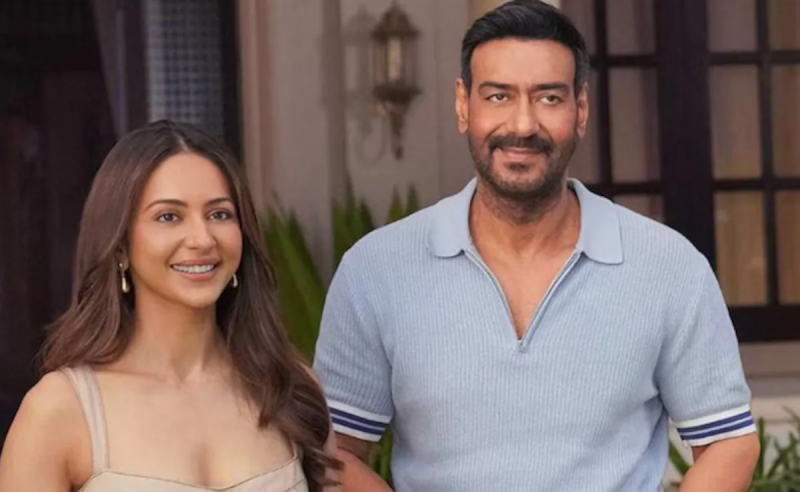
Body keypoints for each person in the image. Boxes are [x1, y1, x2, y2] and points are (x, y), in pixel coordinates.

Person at [312, 1, 760, 490]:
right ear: (463, 105)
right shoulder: (376, 271)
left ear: (580, 109)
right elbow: (334, 453)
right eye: (498, 96)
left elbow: (728, 442)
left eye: (548, 97)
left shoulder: (669, 268)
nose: (522, 125)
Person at [0, 120, 340, 492]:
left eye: (219, 214)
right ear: (120, 246)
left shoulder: (291, 388)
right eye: (169, 217)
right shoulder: (59, 410)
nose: (202, 239)